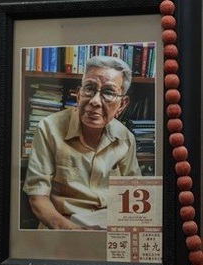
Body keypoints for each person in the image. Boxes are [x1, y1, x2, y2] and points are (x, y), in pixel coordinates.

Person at [23, 55, 142, 230]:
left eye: (108, 93)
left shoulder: (125, 137)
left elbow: (134, 195)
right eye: (89, 89)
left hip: (109, 228)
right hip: (62, 227)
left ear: (122, 104)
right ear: (79, 94)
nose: (94, 101)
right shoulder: (49, 128)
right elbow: (37, 198)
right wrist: (75, 233)